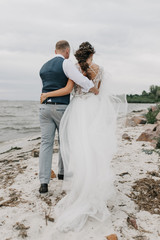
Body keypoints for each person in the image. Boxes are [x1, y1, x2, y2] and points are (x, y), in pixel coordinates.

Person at [40, 42, 120, 231]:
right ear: (92, 54)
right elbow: (98, 90)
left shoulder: (74, 69)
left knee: (76, 146)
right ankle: (88, 181)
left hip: (77, 110)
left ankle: (66, 183)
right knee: (92, 146)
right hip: (93, 109)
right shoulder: (99, 69)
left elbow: (70, 89)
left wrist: (46, 95)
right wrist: (93, 90)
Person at [39, 40, 98, 194]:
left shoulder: (44, 66)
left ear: (55, 51)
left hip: (44, 107)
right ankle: (62, 173)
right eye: (68, 53)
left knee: (46, 144)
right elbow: (79, 79)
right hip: (60, 107)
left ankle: (44, 183)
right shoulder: (65, 63)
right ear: (66, 51)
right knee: (64, 140)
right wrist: (93, 88)